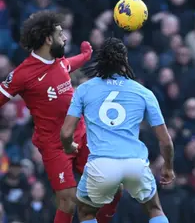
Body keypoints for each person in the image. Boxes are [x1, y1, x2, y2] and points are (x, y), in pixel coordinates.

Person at [0, 10, 121, 223]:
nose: (64, 37)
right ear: (48, 39)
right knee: (67, 201)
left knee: (112, 187)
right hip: (55, 145)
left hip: (82, 135)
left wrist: (85, 57)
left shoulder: (59, 61)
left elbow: (68, 65)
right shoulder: (22, 74)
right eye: (60, 34)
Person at [60, 37, 175, 223]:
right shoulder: (143, 92)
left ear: (100, 61)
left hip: (102, 164)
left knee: (86, 212)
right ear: (125, 61)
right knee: (154, 208)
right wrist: (168, 167)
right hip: (135, 163)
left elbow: (66, 133)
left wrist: (68, 146)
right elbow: (166, 141)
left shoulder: (84, 89)